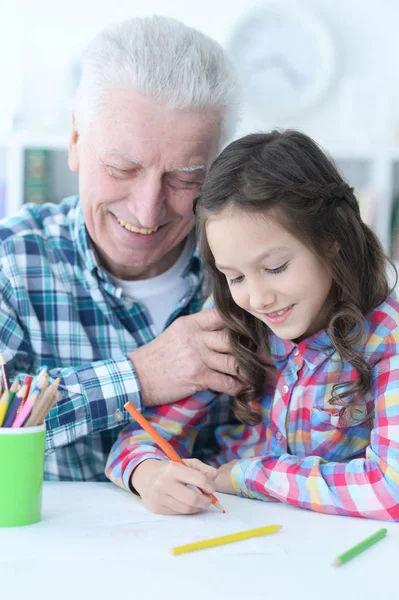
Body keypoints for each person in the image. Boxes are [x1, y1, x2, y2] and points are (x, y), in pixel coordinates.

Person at [106, 130, 399, 521]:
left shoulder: (387, 337)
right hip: (230, 532)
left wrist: (248, 475)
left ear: (331, 240)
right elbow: (135, 441)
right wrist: (149, 473)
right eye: (236, 277)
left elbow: (390, 490)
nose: (258, 298)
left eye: (275, 268)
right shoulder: (236, 322)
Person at [0, 16, 243, 480]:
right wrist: (141, 376)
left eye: (185, 179)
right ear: (75, 142)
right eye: (122, 168)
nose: (148, 210)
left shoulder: (257, 274)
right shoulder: (11, 262)